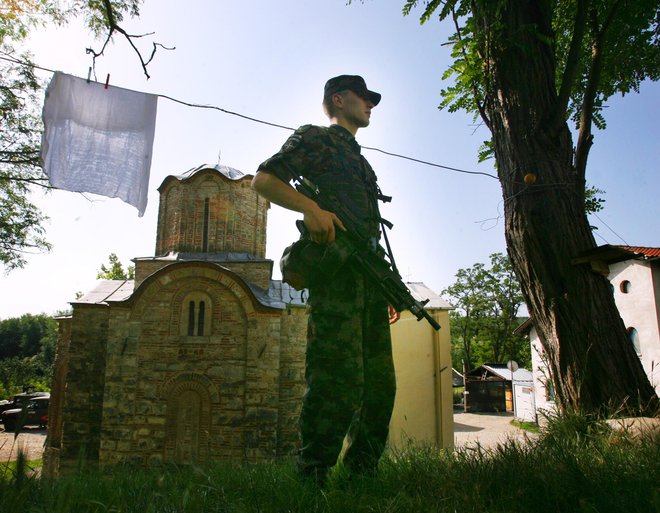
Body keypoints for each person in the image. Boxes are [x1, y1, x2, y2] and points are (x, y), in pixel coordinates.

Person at [251, 75, 396, 484]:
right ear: (338, 99)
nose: (370, 104)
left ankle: (360, 479)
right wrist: (310, 208)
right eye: (363, 97)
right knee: (336, 382)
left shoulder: (362, 162)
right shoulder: (317, 138)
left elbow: (368, 232)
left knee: (381, 389)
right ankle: (310, 480)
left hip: (368, 283)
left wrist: (383, 288)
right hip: (336, 280)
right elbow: (264, 179)